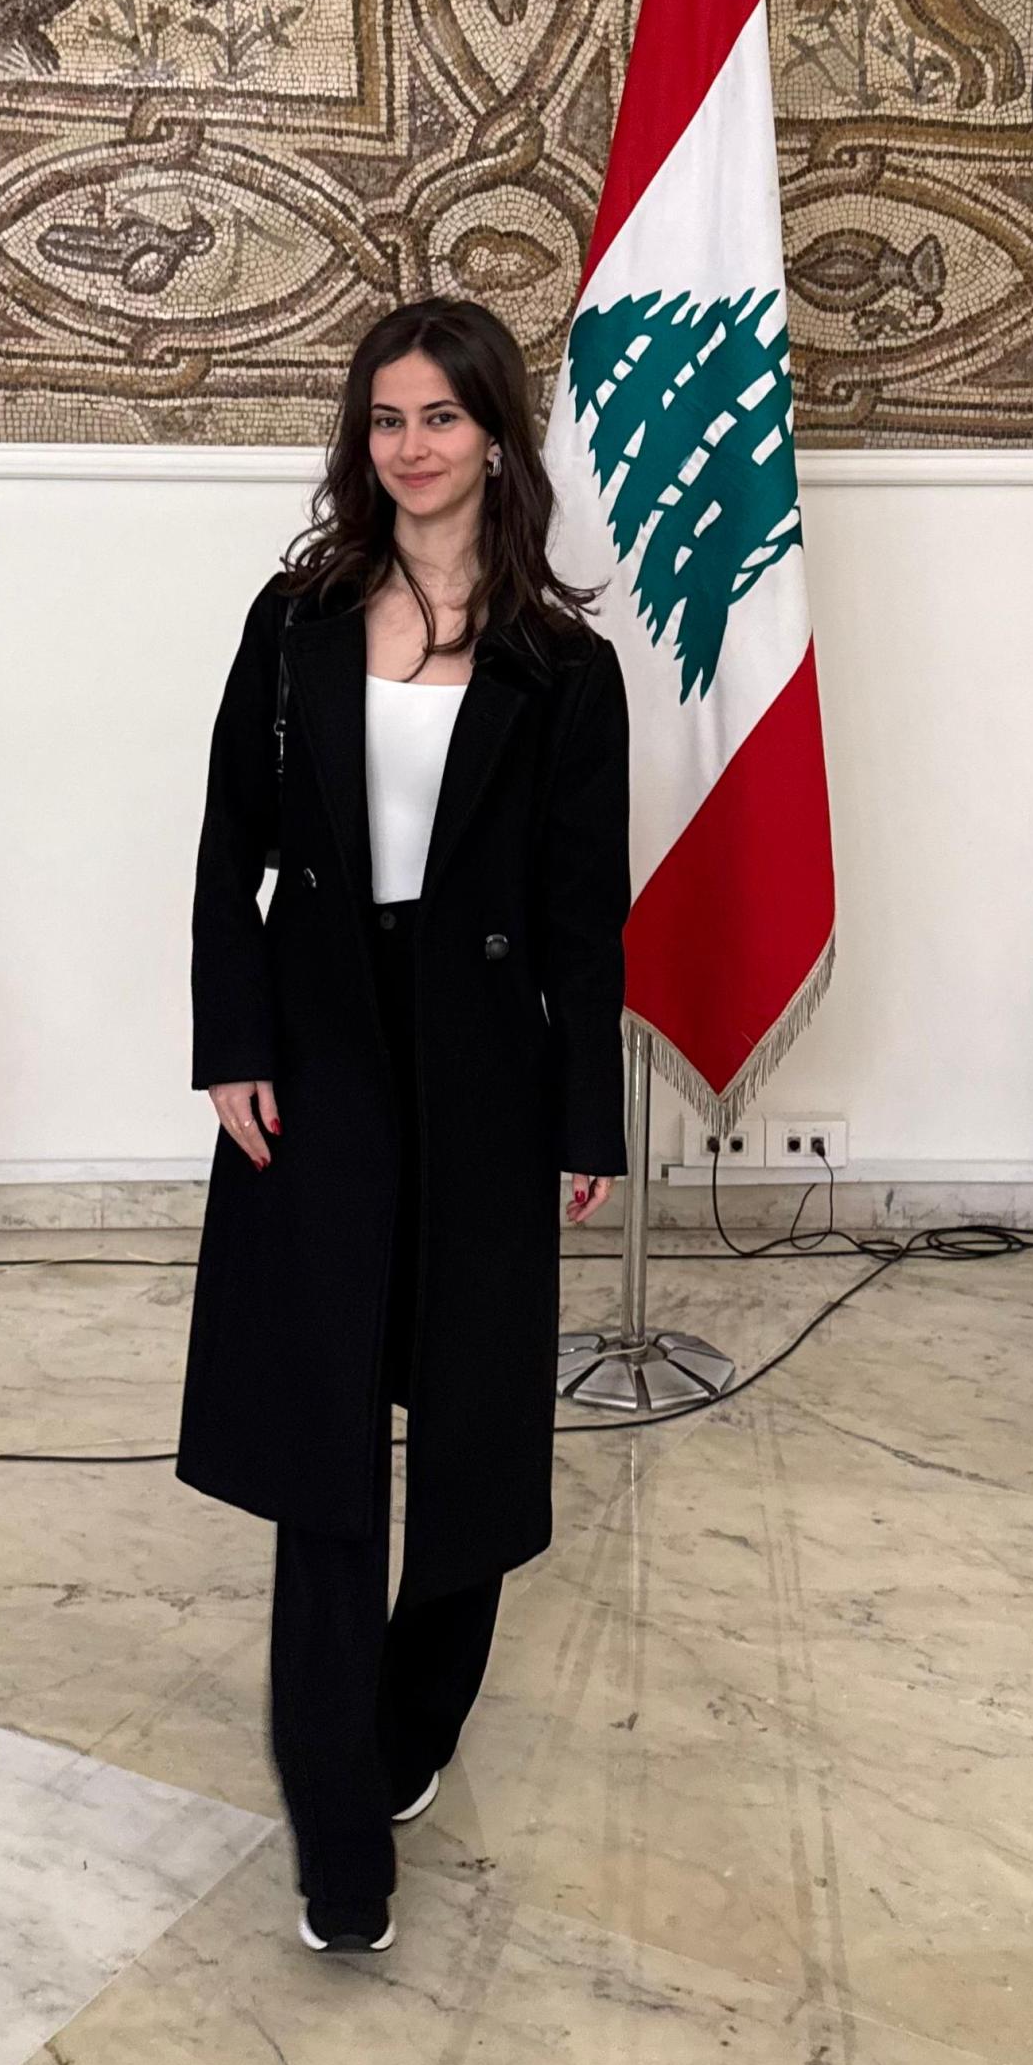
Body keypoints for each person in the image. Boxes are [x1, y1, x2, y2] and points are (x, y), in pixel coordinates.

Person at [177, 296, 632, 1953]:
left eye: (440, 416)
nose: (410, 445)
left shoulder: (562, 667)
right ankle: (337, 1828)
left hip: (487, 1068)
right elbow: (230, 843)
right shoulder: (294, 618)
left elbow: (588, 921)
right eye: (384, 418)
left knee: (472, 1425)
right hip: (318, 1044)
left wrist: (589, 1113)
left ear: (497, 437)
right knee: (318, 1441)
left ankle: (415, 1716)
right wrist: (230, 1039)